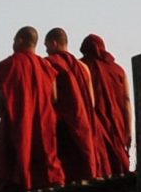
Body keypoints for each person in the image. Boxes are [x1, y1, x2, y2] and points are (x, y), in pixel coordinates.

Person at [0, 26, 65, 192]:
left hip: (17, 122)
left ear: (19, 40)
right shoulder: (47, 66)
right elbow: (54, 96)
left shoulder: (6, 65)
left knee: (12, 156)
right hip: (44, 122)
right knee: (45, 154)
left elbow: (2, 95)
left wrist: (2, 109)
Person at [40, 28, 102, 182]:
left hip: (62, 123)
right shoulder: (83, 67)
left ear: (54, 43)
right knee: (83, 159)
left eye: (46, 45)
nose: (46, 50)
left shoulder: (49, 63)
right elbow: (92, 101)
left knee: (66, 167)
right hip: (84, 121)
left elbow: (52, 96)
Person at [77, 34, 132, 177]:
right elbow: (126, 100)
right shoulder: (118, 70)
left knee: (101, 161)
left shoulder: (81, 67)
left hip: (96, 124)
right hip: (117, 124)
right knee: (119, 160)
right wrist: (129, 129)